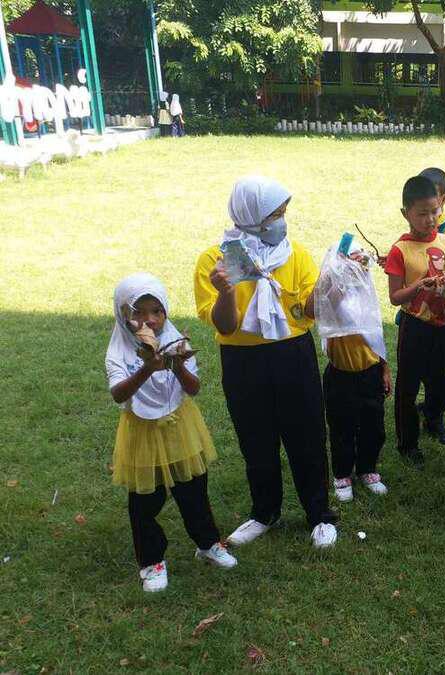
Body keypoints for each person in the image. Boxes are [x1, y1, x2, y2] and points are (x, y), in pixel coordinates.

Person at [194, 176, 337, 549]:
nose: (281, 221)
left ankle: (319, 514)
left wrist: (332, 283)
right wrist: (226, 291)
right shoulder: (215, 260)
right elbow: (226, 325)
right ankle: (264, 511)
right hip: (243, 360)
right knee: (255, 437)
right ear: (251, 215)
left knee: (307, 435)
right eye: (274, 215)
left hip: (293, 354)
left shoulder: (295, 254)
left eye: (283, 213)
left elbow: (308, 310)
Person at [106, 273, 236, 593]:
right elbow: (119, 395)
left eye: (156, 311)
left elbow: (194, 388)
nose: (149, 320)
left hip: (180, 426)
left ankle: (207, 543)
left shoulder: (176, 341)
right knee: (145, 502)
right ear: (123, 315)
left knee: (194, 489)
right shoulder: (119, 351)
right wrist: (147, 368)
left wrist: (177, 365)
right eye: (138, 313)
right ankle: (151, 561)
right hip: (142, 433)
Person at [384, 176, 445, 463]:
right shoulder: (400, 250)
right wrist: (418, 286)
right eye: (422, 213)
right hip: (414, 326)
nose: (430, 219)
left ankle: (433, 420)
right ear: (406, 213)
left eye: (434, 211)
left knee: (438, 379)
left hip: (443, 325)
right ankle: (408, 443)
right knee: (408, 384)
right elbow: (395, 297)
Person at [306, 242, 391, 503]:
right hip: (340, 374)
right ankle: (342, 473)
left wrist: (384, 368)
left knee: (373, 425)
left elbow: (377, 335)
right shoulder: (333, 297)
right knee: (341, 426)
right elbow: (319, 308)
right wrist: (337, 274)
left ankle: (367, 468)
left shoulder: (367, 298)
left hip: (370, 372)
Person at [419, 166, 445, 421]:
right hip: (421, 304)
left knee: (435, 365)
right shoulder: (422, 223)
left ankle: (439, 401)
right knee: (423, 363)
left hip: (439, 307)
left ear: (443, 199)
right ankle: (436, 396)